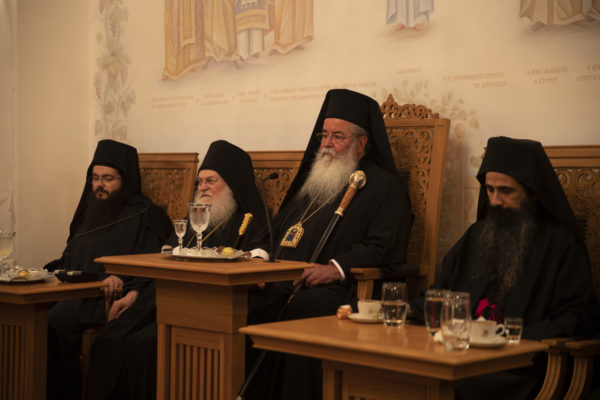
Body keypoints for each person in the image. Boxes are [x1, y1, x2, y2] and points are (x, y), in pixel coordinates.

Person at [247, 88, 412, 400]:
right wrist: (259, 259)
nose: (326, 144)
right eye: (324, 135)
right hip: (286, 282)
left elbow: (383, 247)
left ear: (361, 143)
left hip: (343, 290)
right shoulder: (313, 184)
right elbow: (274, 230)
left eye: (338, 136)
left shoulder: (384, 188)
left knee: (304, 306)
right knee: (246, 299)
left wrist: (336, 268)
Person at [411, 136, 600, 399]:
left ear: (532, 193)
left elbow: (578, 315)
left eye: (506, 191)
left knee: (450, 381)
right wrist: (404, 309)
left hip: (517, 365)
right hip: (459, 352)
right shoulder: (478, 234)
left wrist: (512, 337)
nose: (495, 200)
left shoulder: (560, 244)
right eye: (490, 190)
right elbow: (442, 293)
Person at [84, 140, 267, 400]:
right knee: (108, 339)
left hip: (204, 309)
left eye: (211, 181)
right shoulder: (193, 223)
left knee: (143, 347)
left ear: (233, 185)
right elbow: (163, 263)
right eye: (199, 182)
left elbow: (259, 262)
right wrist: (135, 294)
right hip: (162, 303)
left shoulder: (251, 222)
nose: (202, 187)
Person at [45, 139, 172, 400]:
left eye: (108, 178)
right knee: (28, 313)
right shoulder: (89, 212)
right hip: (73, 291)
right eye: (95, 178)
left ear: (125, 180)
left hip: (107, 299)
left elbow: (155, 264)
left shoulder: (145, 216)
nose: (99, 185)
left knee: (55, 320)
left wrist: (125, 281)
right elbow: (70, 255)